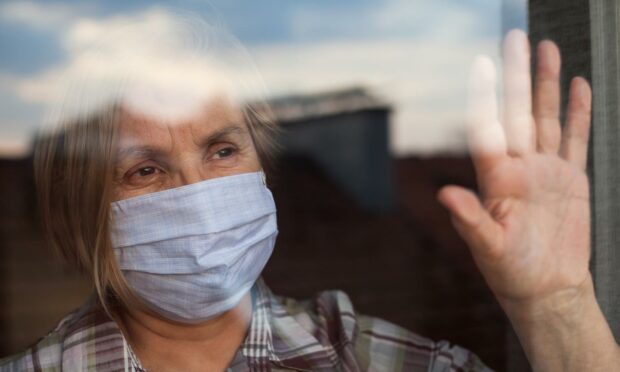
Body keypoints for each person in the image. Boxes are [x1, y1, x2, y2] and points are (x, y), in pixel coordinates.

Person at [0, 10, 618, 371]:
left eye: (221, 150)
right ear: (84, 209)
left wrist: (556, 305)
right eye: (145, 171)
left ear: (261, 164)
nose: (195, 191)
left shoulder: (360, 355)